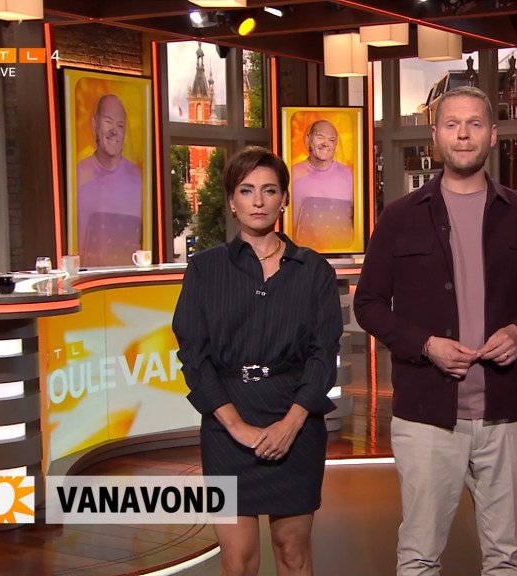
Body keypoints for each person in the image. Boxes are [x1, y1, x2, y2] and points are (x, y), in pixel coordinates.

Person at [354, 86, 517, 576]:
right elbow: (368, 304)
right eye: (452, 125)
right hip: (426, 417)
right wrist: (425, 345)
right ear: (435, 136)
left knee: (507, 555)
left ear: (492, 134)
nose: (463, 134)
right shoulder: (399, 216)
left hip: (507, 415)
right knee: (419, 555)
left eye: (474, 124)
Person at [172, 146, 343, 576]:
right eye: (246, 190)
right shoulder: (205, 269)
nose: (258, 201)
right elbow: (193, 355)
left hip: (295, 420)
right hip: (227, 424)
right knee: (239, 561)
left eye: (269, 190)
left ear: (284, 199)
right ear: (232, 200)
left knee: (292, 552)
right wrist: (236, 427)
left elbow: (324, 354)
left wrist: (290, 425)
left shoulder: (314, 271)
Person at [76, 93, 144, 267]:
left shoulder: (139, 181)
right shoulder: (78, 176)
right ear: (94, 124)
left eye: (120, 125)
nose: (114, 130)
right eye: (108, 121)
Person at [290, 120, 355, 251]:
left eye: (331, 140)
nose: (325, 143)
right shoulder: (292, 174)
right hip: (303, 258)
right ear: (308, 140)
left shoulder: (351, 176)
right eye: (320, 137)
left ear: (336, 145)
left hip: (344, 256)